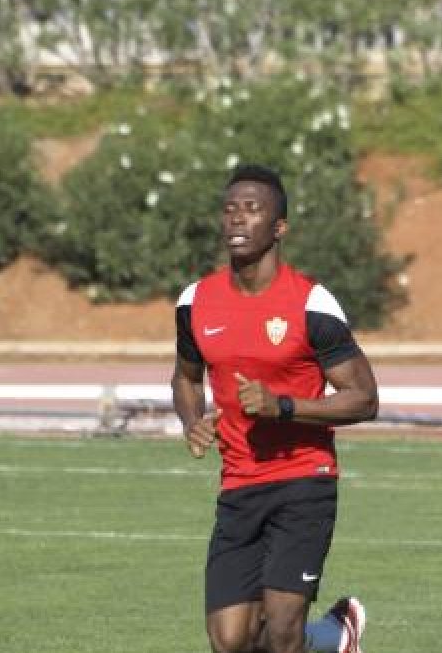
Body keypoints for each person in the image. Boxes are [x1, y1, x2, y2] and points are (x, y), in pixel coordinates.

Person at [171, 164, 378, 653]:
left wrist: (282, 406)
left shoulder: (312, 303)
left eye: (252, 210)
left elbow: (365, 399)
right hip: (238, 485)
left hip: (304, 481)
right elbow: (186, 376)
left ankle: (322, 634)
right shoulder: (195, 301)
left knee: (283, 634)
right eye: (229, 210)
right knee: (231, 641)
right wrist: (190, 419)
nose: (236, 220)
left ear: (279, 227)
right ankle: (333, 637)